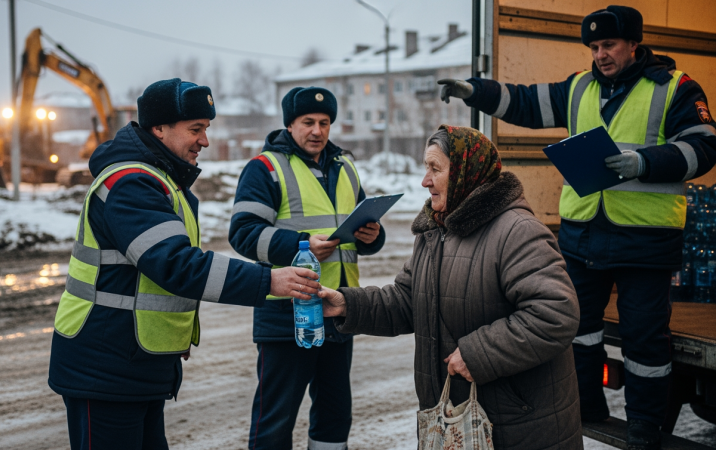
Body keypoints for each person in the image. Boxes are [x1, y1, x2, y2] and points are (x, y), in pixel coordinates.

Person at [438, 5, 716, 449]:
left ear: (634, 44)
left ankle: (646, 425)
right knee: (576, 327)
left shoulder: (676, 88)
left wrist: (644, 162)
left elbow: (704, 148)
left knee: (645, 339)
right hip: (583, 235)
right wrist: (476, 91)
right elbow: (524, 102)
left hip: (646, 238)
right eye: (594, 47)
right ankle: (587, 407)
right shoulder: (579, 87)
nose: (600, 54)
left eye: (609, 45)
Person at [47, 78, 321, 450]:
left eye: (206, 129)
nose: (204, 141)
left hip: (134, 360)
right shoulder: (131, 184)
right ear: (159, 128)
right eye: (195, 129)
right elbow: (176, 265)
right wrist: (269, 281)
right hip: (105, 365)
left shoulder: (160, 180)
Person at [319, 125, 582, 450]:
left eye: (435, 169)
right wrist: (345, 304)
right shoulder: (435, 231)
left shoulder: (518, 231)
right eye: (425, 168)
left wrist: (478, 354)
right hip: (456, 421)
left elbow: (555, 314)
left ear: (465, 173)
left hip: (517, 425)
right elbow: (406, 300)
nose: (424, 181)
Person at [229, 86, 386, 450]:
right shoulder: (265, 168)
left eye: (324, 122)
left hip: (339, 309)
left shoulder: (345, 167)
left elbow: (362, 230)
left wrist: (372, 236)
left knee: (335, 415)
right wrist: (301, 244)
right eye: (308, 122)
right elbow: (243, 233)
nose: (317, 131)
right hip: (287, 313)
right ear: (290, 124)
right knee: (275, 420)